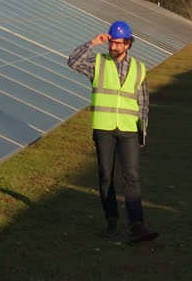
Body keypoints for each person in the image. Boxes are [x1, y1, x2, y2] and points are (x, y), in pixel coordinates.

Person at [67, 19, 158, 243]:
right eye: (111, 42)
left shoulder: (138, 68)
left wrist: (142, 132)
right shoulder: (97, 63)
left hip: (128, 129)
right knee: (106, 176)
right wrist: (92, 43)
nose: (113, 46)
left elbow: (143, 102)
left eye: (118, 43)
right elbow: (73, 61)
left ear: (127, 44)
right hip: (104, 128)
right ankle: (111, 221)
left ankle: (137, 225)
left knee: (132, 176)